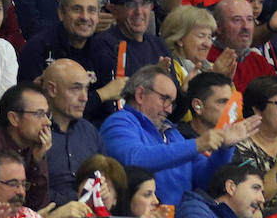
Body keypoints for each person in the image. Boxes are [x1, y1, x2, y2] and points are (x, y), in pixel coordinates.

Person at [101, 64, 258, 207]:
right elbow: (134, 159)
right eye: (164, 99)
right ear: (140, 95)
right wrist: (198, 144)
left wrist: (224, 148)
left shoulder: (173, 134)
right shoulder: (119, 122)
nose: (169, 110)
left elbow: (206, 181)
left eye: (172, 103)